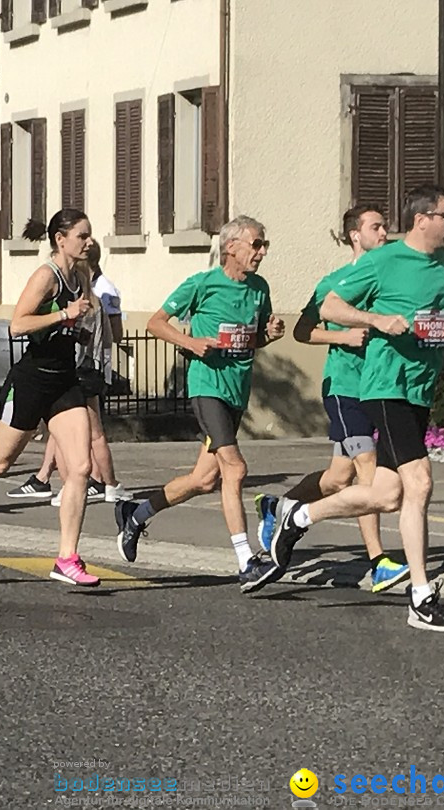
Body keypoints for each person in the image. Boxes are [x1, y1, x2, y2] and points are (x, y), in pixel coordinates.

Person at [267, 185, 444, 632]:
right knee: (418, 482)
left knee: (387, 495)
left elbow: (425, 319)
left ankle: (300, 515)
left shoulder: (442, 262)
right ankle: (420, 597)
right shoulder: (384, 260)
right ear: (423, 219)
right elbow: (331, 306)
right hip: (386, 385)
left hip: (419, 388)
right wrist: (376, 320)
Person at [113, 216, 286, 594]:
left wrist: (269, 336)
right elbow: (157, 323)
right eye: (256, 244)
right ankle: (246, 562)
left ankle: (135, 514)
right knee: (235, 469)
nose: (261, 252)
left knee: (204, 479)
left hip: (236, 391)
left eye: (264, 245)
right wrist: (190, 344)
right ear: (231, 248)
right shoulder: (203, 284)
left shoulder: (259, 288)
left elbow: (252, 340)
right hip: (207, 388)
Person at [255, 205, 410, 594]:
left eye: (385, 227)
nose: (384, 234)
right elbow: (303, 331)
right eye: (376, 227)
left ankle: (279, 506)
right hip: (345, 388)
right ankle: (379, 563)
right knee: (368, 473)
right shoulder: (335, 282)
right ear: (355, 235)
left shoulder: (388, 282)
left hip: (380, 387)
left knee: (339, 478)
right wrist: (342, 337)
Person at [0, 209, 99, 586]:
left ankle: (67, 558)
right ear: (61, 239)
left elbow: (66, 324)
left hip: (64, 381)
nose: (89, 242)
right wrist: (63, 313)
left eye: (89, 235)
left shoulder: (80, 276)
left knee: (80, 468)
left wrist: (76, 330)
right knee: (0, 463)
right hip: (31, 382)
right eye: (83, 235)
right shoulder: (46, 276)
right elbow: (18, 324)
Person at [8, 242, 131, 504]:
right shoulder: (83, 290)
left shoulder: (93, 295)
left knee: (90, 432)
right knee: (66, 430)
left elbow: (109, 334)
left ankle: (103, 483)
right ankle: (50, 478)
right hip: (79, 368)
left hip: (80, 369)